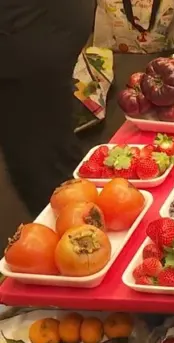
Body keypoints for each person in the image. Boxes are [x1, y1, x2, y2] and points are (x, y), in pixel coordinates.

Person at [0, 0, 96, 213]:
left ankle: (78, 229)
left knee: (40, 160)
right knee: (49, 139)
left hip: (25, 33)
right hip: (37, 26)